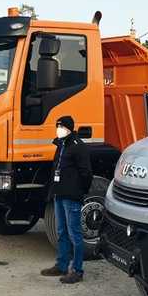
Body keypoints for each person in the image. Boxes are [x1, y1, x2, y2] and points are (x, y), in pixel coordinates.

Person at [40, 115, 92, 284]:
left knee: (74, 234)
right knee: (61, 231)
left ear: (69, 128)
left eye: (61, 127)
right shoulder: (61, 144)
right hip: (59, 194)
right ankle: (61, 265)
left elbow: (86, 173)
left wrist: (80, 192)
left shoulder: (77, 146)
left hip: (71, 196)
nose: (58, 129)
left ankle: (77, 270)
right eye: (57, 126)